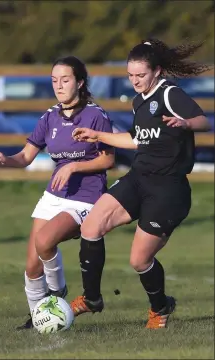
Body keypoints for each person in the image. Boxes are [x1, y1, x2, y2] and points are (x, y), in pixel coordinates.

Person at [70, 39, 211, 329]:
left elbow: (203, 121)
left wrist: (185, 124)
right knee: (91, 226)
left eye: (141, 75)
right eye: (130, 75)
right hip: (138, 177)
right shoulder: (139, 101)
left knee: (138, 260)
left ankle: (160, 307)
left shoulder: (170, 94)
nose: (135, 81)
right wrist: (98, 135)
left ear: (156, 71)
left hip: (168, 189)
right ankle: (91, 298)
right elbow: (136, 140)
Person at [0, 56, 114, 330]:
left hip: (86, 197)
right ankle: (38, 318)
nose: (59, 85)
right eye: (54, 80)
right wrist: (4, 159)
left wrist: (73, 168)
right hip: (53, 195)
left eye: (65, 79)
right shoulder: (49, 116)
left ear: (80, 82)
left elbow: (108, 160)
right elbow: (25, 157)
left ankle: (58, 297)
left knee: (45, 241)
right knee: (32, 267)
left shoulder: (96, 115)